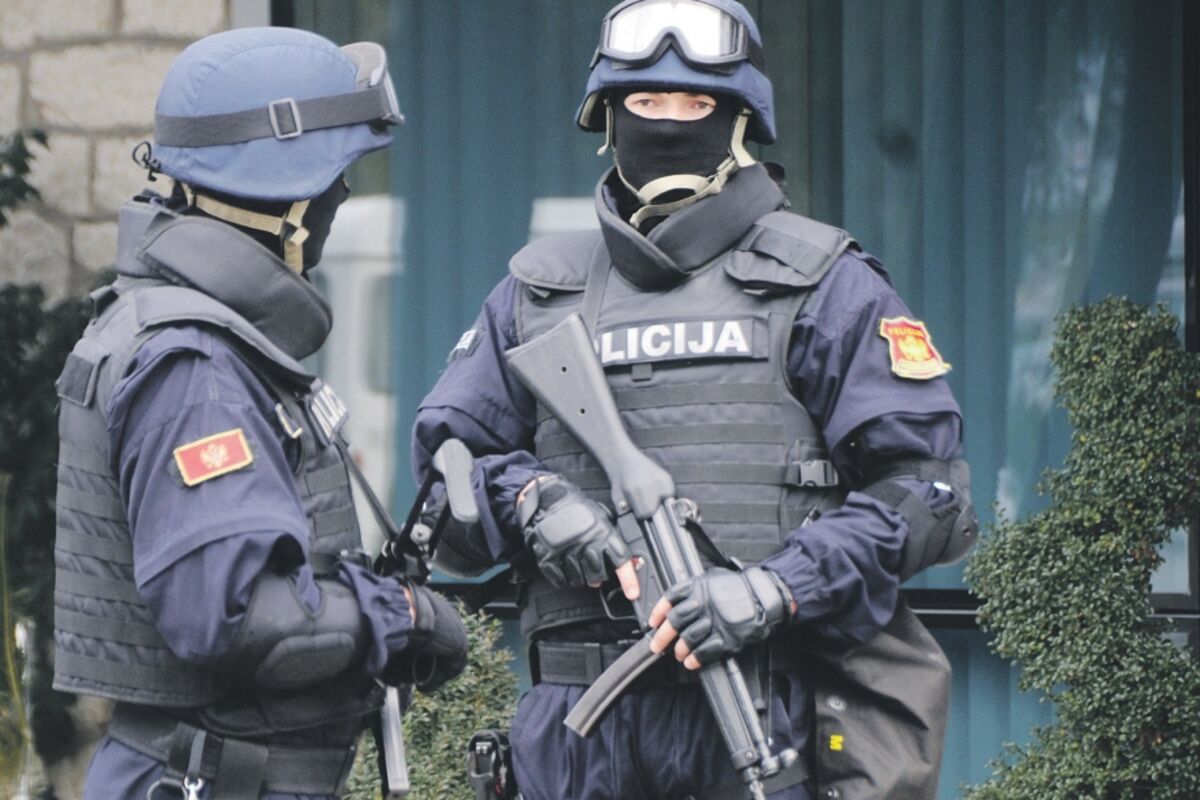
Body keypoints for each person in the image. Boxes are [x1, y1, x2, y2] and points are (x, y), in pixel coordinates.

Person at [413, 1, 977, 798]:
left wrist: (777, 588)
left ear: (741, 121)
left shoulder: (824, 284)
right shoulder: (536, 294)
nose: (668, 122)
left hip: (761, 703)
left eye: (695, 102)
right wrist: (533, 501)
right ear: (608, 121)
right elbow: (445, 481)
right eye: (646, 101)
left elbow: (928, 494)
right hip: (579, 731)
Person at [53, 27, 467, 800]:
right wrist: (399, 614)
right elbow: (239, 618)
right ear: (291, 201)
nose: (343, 198)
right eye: (337, 176)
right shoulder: (195, 370)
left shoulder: (199, 339)